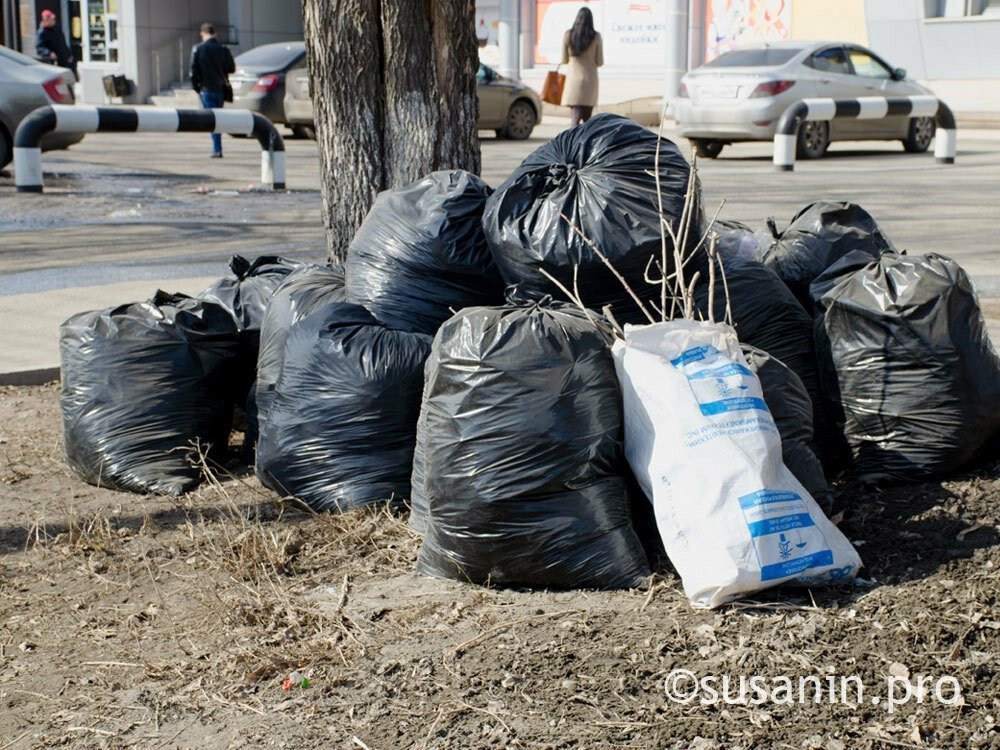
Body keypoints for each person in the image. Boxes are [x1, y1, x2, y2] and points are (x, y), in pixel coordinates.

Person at [190, 22, 235, 158]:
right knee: (218, 117)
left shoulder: (198, 49)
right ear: (214, 34)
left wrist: (196, 88)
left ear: (202, 34)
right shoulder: (223, 49)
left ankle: (217, 148)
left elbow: (192, 72)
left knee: (212, 119)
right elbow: (231, 68)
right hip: (220, 89)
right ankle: (217, 147)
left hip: (206, 89)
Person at [561, 7, 603, 127]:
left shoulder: (568, 35)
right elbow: (599, 61)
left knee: (574, 120)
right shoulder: (596, 37)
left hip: (573, 82)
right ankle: (585, 145)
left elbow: (564, 60)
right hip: (590, 82)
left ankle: (572, 144)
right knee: (587, 122)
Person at [35, 10, 76, 75]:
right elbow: (39, 47)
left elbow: (62, 43)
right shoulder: (42, 32)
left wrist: (69, 54)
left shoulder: (56, 28)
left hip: (64, 60)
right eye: (51, 19)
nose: (54, 20)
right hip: (52, 62)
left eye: (53, 19)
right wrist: (49, 53)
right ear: (46, 20)